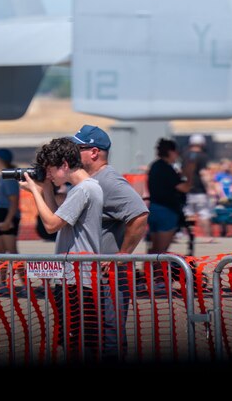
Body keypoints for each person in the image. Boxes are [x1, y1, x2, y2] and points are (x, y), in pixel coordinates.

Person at [69, 124, 149, 359]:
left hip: (108, 277)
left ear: (93, 152)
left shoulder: (108, 180)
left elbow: (139, 214)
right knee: (88, 337)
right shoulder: (87, 180)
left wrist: (123, 254)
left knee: (108, 338)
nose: (72, 153)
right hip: (88, 276)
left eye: (77, 148)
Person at [19, 138, 104, 359]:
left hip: (77, 279)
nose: (48, 175)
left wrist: (35, 191)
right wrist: (45, 189)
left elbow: (50, 225)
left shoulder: (82, 190)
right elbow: (59, 217)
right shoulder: (84, 187)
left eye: (50, 170)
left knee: (77, 343)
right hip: (75, 277)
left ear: (64, 165)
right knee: (73, 341)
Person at [147, 138, 191, 257]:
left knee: (153, 249)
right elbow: (183, 188)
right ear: (171, 152)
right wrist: (189, 175)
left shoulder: (155, 166)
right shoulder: (166, 168)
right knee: (161, 251)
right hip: (166, 211)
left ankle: (150, 273)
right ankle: (157, 274)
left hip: (154, 208)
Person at [182, 134, 213, 238]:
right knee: (203, 213)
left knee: (188, 213)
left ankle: (189, 235)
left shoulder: (185, 155)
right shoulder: (202, 156)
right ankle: (207, 237)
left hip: (186, 189)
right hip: (199, 190)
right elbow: (203, 173)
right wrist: (209, 188)